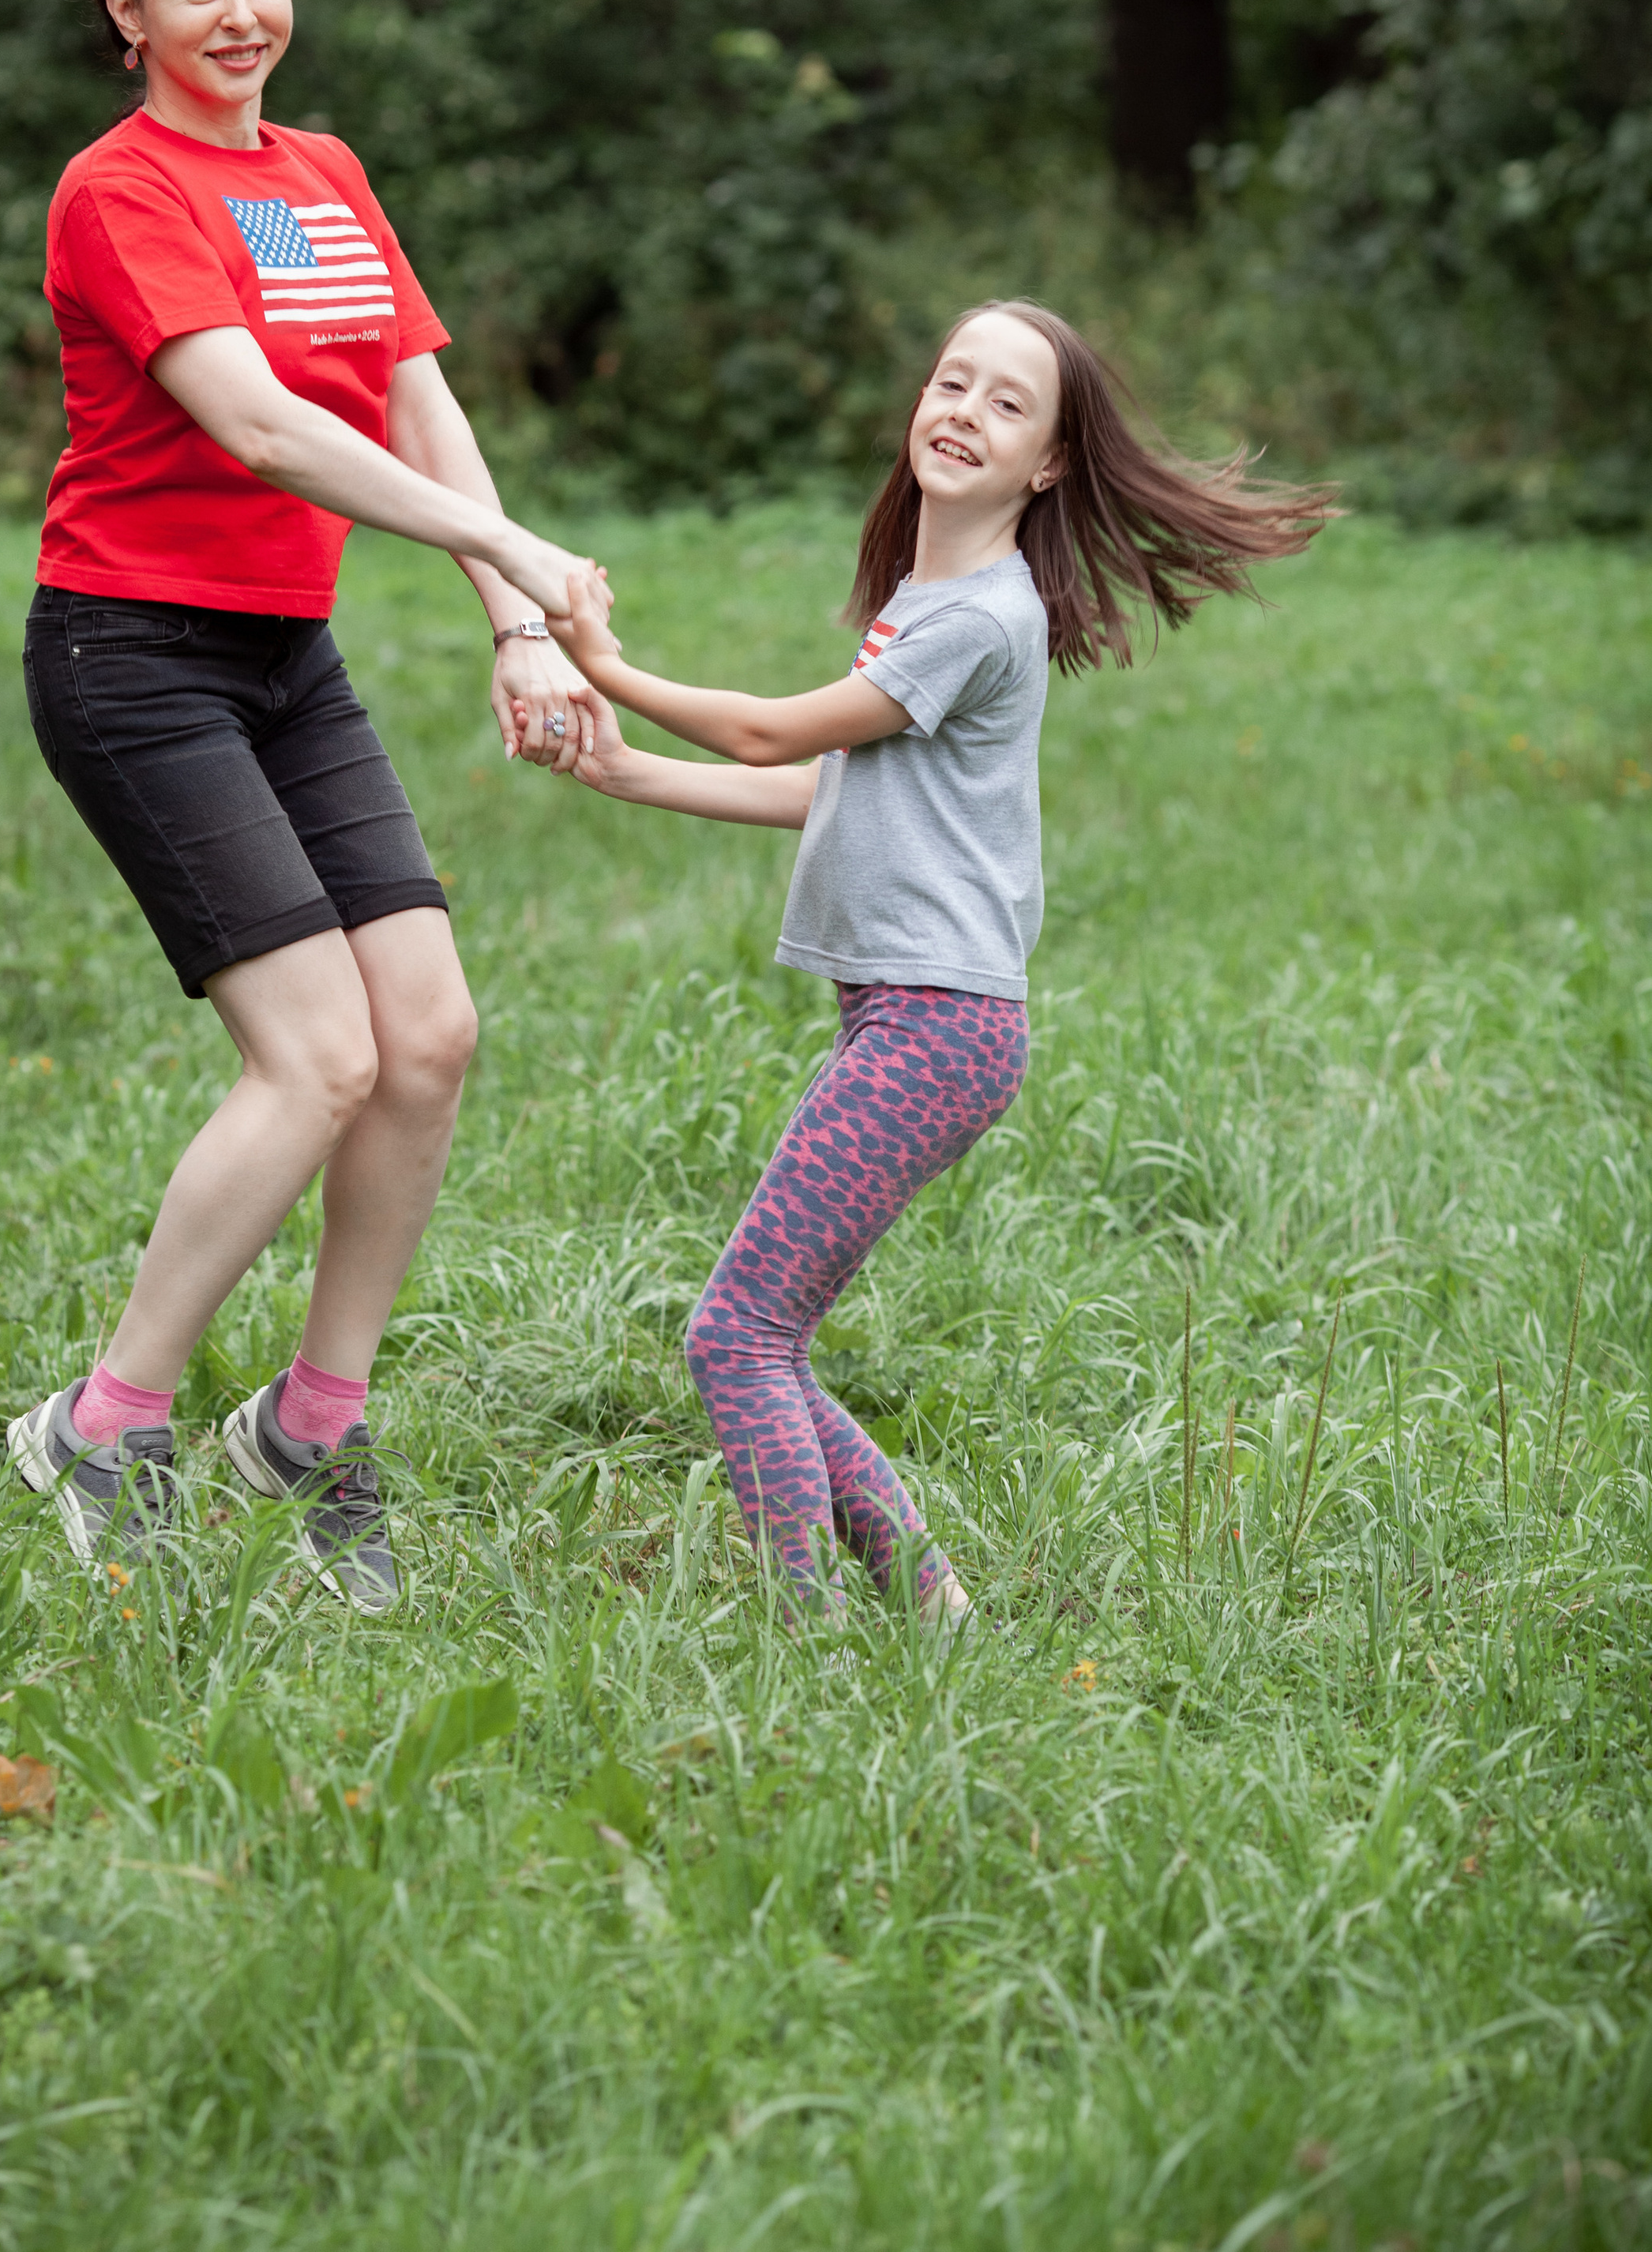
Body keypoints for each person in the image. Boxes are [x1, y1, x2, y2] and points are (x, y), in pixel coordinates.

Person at [536, 301, 1335, 1623]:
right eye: (952, 380)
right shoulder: (930, 601)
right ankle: (933, 1609)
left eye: (1008, 402)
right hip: (911, 1024)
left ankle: (807, 1635)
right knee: (763, 1339)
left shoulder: (980, 621)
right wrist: (625, 773)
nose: (963, 407)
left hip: (938, 1029)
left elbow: (770, 734)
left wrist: (609, 668)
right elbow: (831, 791)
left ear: (1051, 466)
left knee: (737, 1337)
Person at [8, 0, 606, 1607]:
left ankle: (309, 1422)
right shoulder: (115, 195)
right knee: (317, 1056)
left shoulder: (322, 177)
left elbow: (413, 396)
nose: (240, 15)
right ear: (126, 12)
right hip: (132, 655)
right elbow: (261, 428)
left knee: (424, 1035)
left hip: (286, 654)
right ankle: (106, 1424)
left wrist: (511, 621)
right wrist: (506, 547)